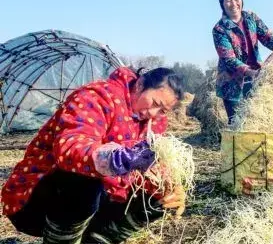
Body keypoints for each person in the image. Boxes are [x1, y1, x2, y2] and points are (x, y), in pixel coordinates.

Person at [1, 66, 187, 243]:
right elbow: (71, 148)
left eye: (162, 110)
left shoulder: (153, 123)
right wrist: (114, 159)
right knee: (85, 179)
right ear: (140, 85)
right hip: (43, 196)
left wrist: (171, 186)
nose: (154, 113)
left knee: (161, 195)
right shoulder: (98, 97)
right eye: (154, 103)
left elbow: (153, 166)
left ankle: (99, 239)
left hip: (105, 198)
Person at [212, 0, 273, 123]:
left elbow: (266, 35)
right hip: (232, 83)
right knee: (236, 123)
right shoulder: (219, 29)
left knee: (255, 120)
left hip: (256, 76)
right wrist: (250, 72)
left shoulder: (251, 17)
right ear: (222, 4)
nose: (234, 4)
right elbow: (228, 59)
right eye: (228, 1)